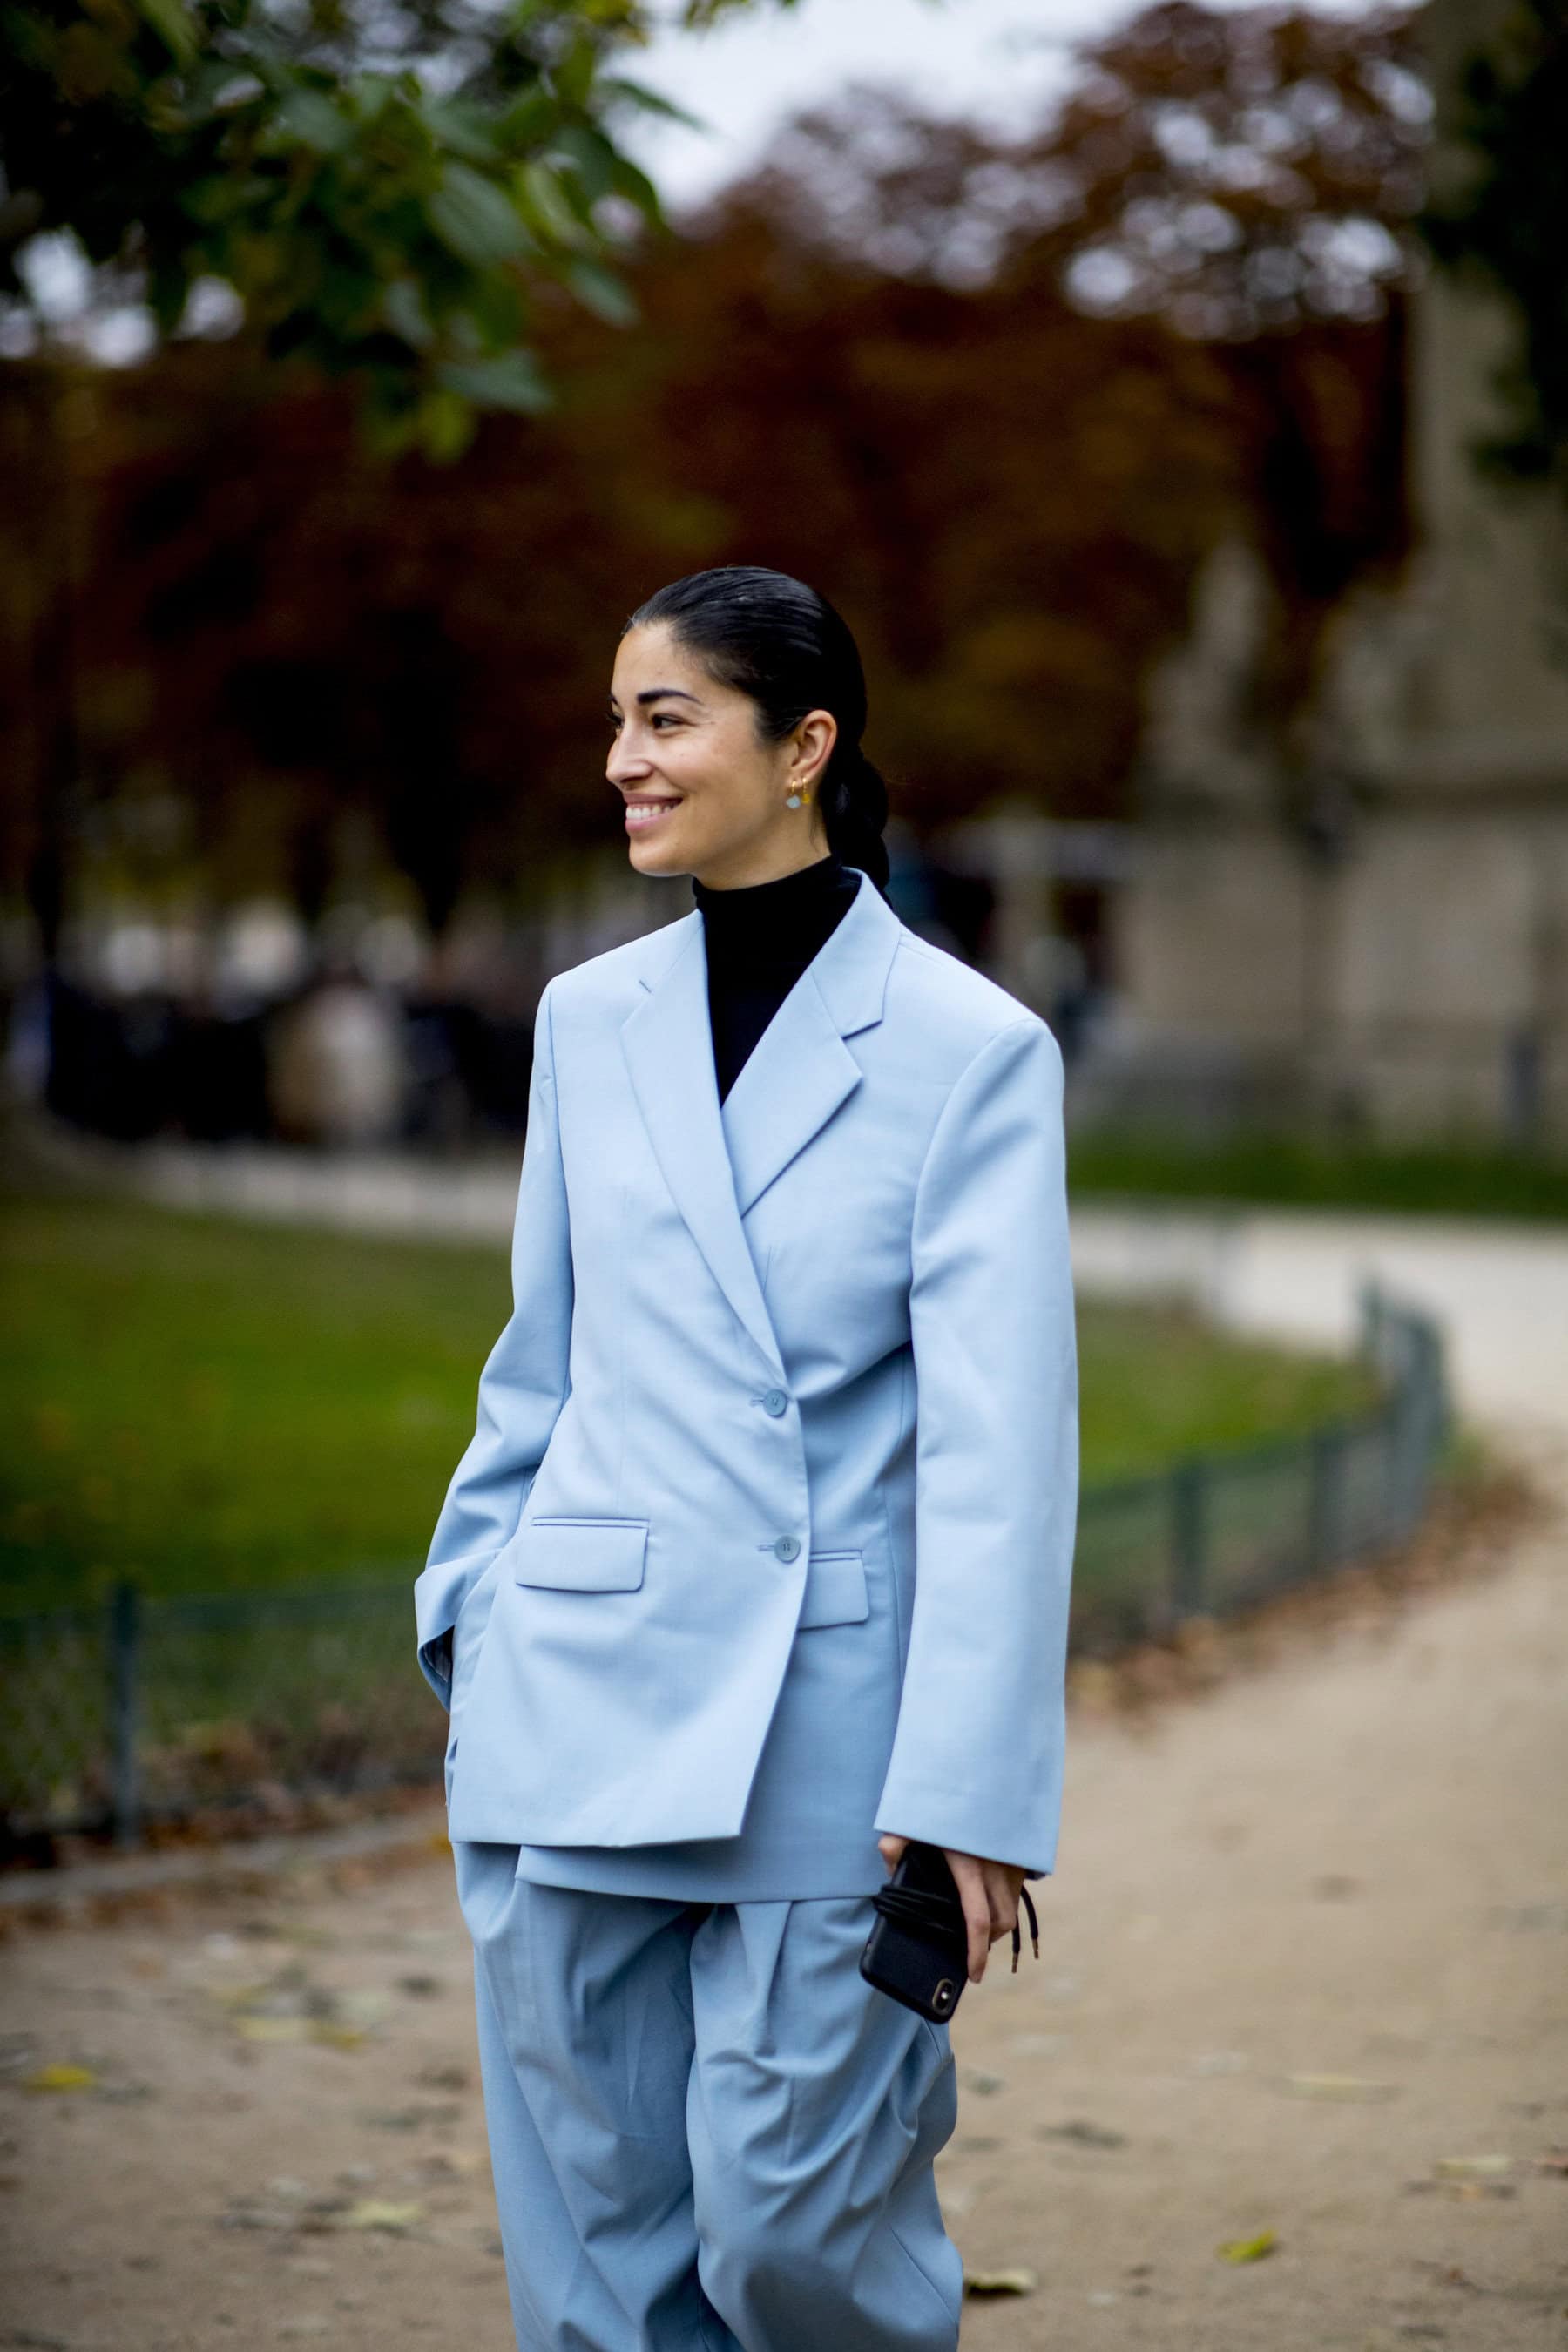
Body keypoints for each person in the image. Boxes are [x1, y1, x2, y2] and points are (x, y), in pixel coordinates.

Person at [414, 564, 1079, 2352]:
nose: (621, 759)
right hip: (572, 1701)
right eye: (615, 720)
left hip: (835, 1735)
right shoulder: (585, 1021)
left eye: (664, 718)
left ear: (803, 747)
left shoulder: (971, 1052)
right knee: (602, 2269)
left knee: (797, 2237)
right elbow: (537, 1374)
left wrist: (975, 1793)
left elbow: (1006, 1455)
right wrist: (467, 1633)